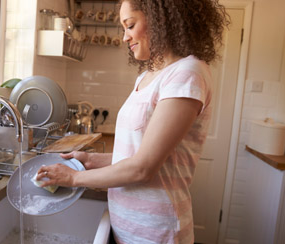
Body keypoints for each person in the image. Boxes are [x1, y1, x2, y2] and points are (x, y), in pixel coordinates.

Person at [37, 0, 229, 243]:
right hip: (127, 228)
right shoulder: (146, 77)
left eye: (130, 25)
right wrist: (92, 160)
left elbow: (143, 168)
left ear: (161, 20)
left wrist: (73, 178)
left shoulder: (187, 73)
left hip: (157, 232)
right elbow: (137, 153)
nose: (125, 37)